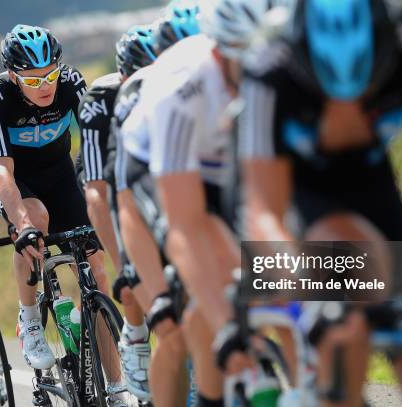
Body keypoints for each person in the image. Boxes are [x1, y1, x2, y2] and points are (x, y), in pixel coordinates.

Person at [239, 0, 402, 405]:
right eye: (329, 95)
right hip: (301, 198)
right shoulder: (271, 63)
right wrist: (297, 282)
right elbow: (263, 211)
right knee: (346, 315)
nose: (349, 107)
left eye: (369, 93)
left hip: (376, 189)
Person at [115, 1, 284, 404]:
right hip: (150, 175)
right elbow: (182, 223)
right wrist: (156, 297)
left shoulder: (275, 71)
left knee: (256, 277)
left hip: (213, 165)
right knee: (172, 324)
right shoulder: (176, 85)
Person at [0, 24, 119, 385]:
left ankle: (117, 387)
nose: (46, 87)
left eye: (50, 75)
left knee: (98, 273)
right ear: (13, 75)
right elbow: (1, 171)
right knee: (36, 218)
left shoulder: (71, 83)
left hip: (58, 176)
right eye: (33, 80)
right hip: (14, 179)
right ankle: (29, 318)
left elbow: (98, 143)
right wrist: (21, 225)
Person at [111, 4, 202, 404]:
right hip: (147, 194)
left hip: (205, 186)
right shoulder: (140, 98)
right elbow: (122, 197)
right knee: (172, 325)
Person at [72, 24, 159, 401]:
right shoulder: (100, 99)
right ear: (124, 76)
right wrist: (125, 266)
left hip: (156, 172)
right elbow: (97, 193)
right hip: (105, 179)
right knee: (132, 266)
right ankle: (135, 333)